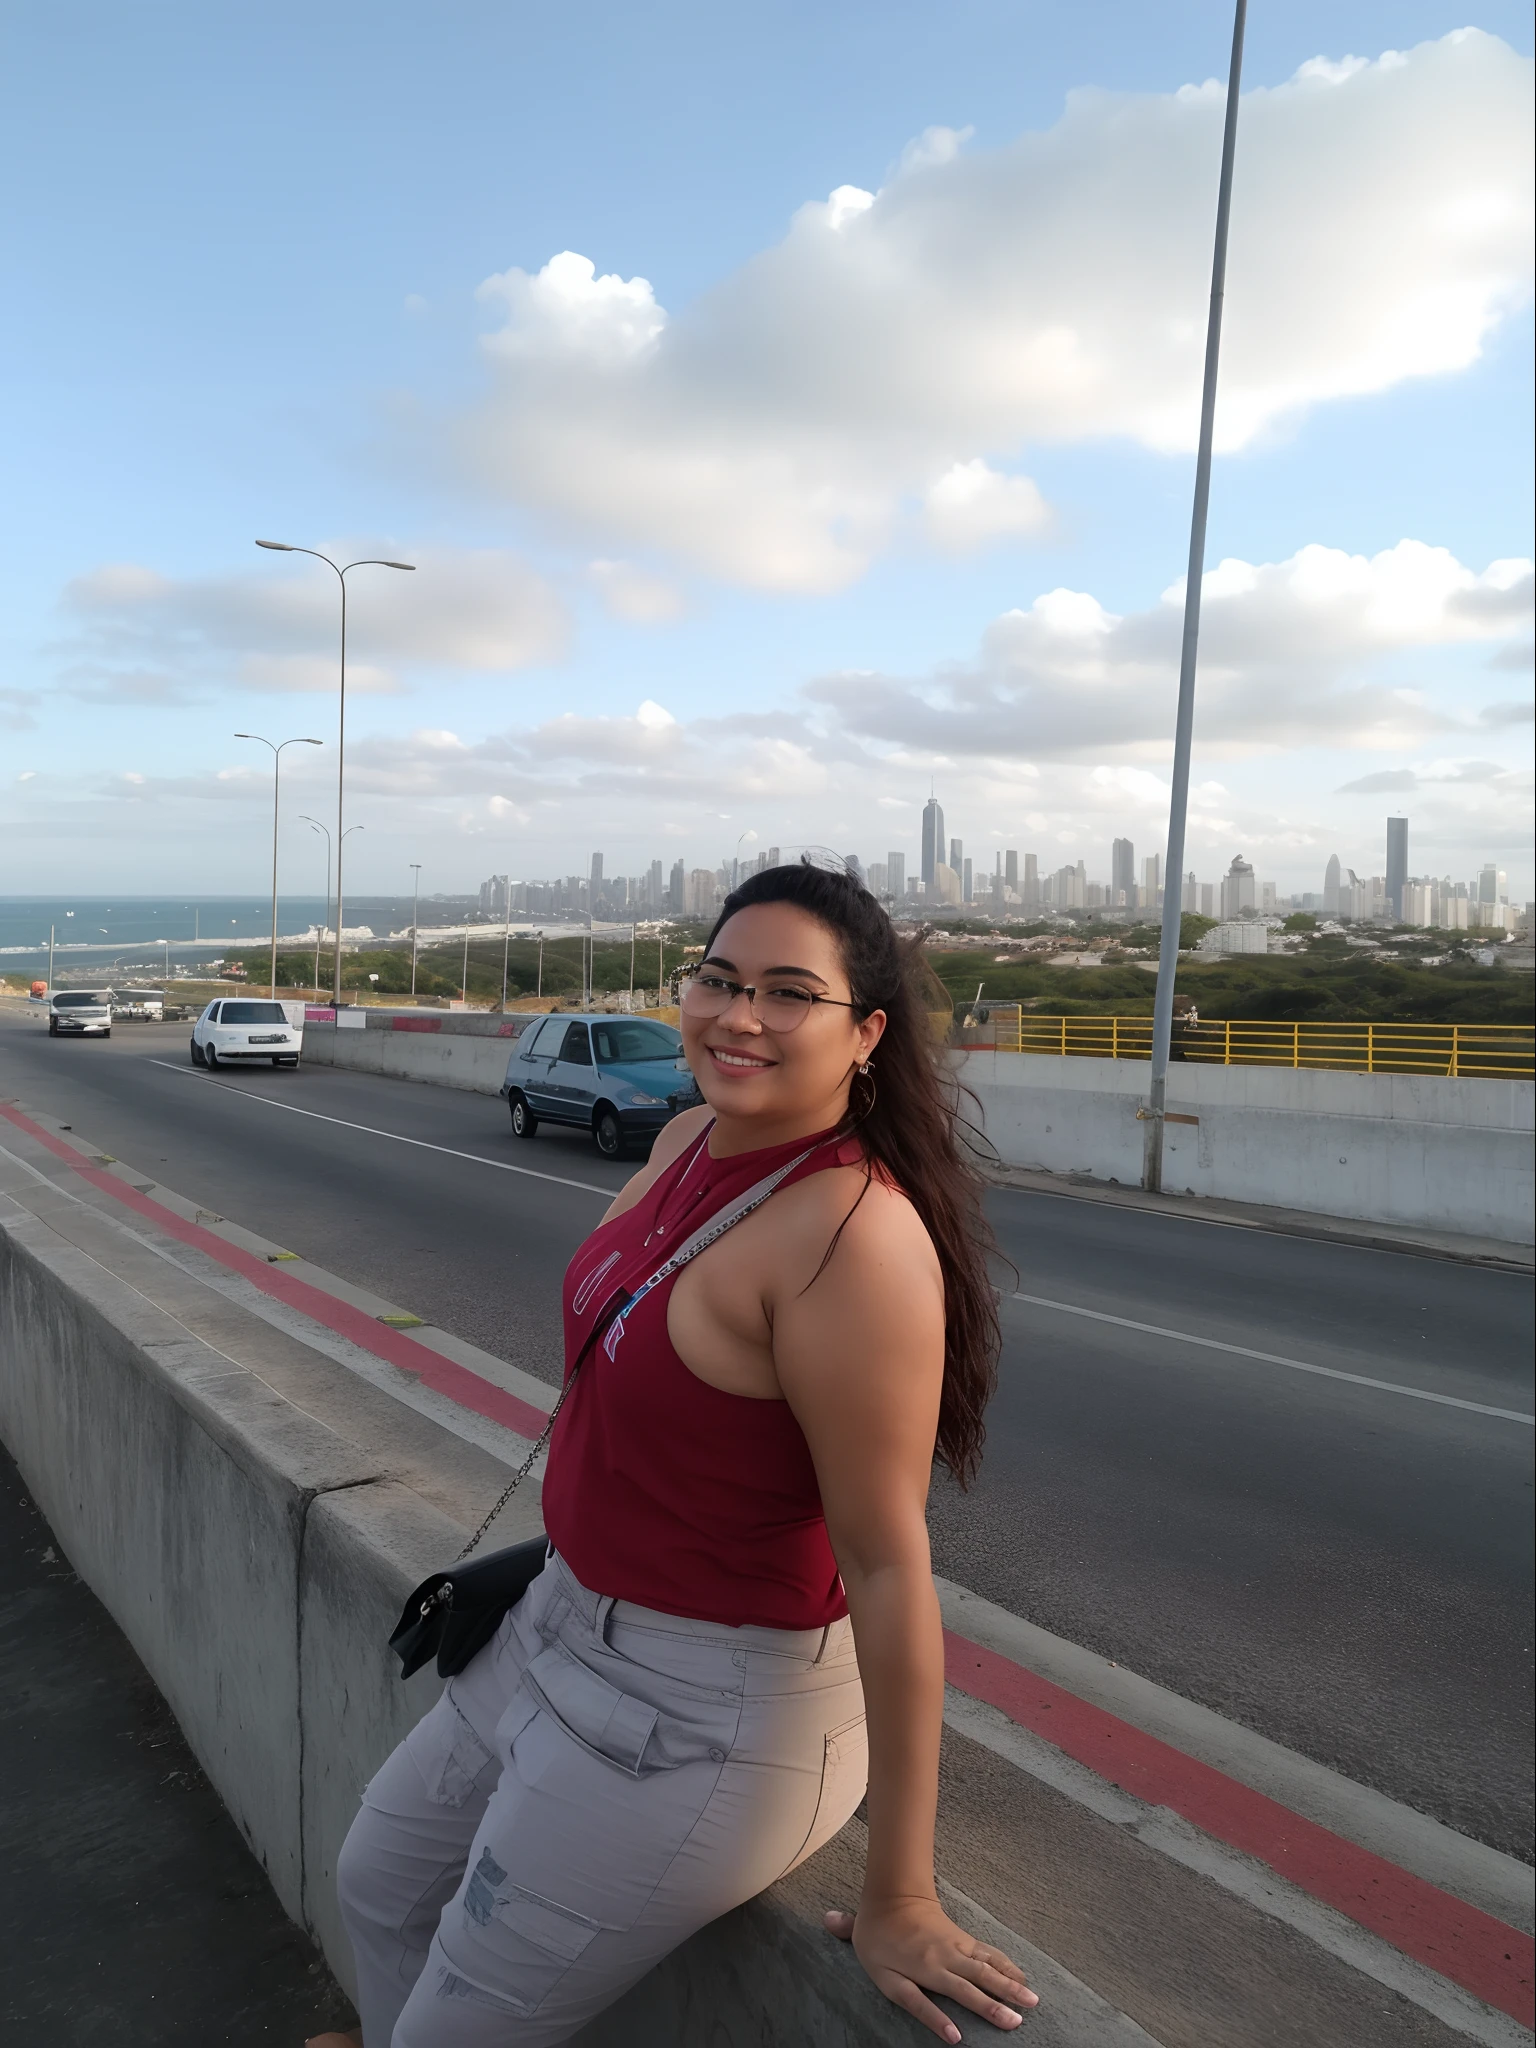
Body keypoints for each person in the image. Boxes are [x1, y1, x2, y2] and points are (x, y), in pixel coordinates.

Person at [317, 859, 1035, 2046]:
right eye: (718, 977)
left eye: (788, 992)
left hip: (702, 1706)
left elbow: (891, 1565)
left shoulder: (851, 1238)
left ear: (865, 1033)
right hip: (556, 1620)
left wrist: (903, 1890)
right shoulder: (691, 1136)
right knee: (375, 1882)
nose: (739, 1015)